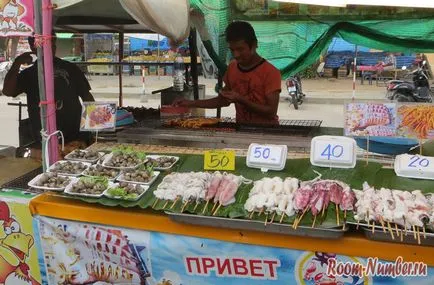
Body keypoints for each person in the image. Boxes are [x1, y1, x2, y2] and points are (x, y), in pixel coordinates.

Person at [174, 21, 281, 124]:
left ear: (254, 45)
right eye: (232, 50)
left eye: (240, 49)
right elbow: (223, 101)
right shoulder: (233, 67)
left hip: (267, 132)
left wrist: (241, 99)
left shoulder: (271, 72)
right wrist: (191, 103)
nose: (236, 55)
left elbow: (271, 111)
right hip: (241, 129)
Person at [2, 34, 94, 145]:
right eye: (45, 44)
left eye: (53, 43)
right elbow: (8, 91)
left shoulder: (70, 68)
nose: (51, 47)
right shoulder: (29, 74)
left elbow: (87, 97)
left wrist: (92, 128)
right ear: (33, 47)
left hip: (74, 134)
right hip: (44, 134)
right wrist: (17, 63)